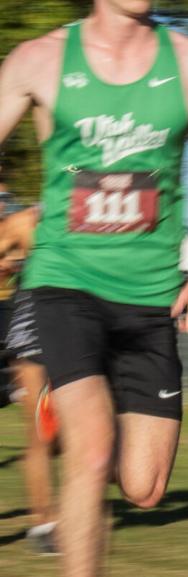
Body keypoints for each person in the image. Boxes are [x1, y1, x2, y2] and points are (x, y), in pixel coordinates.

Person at [0, 0, 188, 577]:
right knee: (93, 453)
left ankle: (83, 404)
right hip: (65, 283)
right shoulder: (39, 60)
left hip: (151, 298)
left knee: (145, 488)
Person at [0, 190, 58, 555]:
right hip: (18, 326)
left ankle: (43, 523)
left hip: (17, 324)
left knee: (47, 429)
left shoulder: (23, 223)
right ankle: (44, 523)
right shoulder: (18, 226)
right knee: (43, 429)